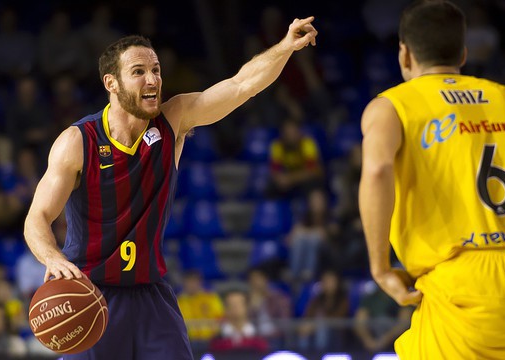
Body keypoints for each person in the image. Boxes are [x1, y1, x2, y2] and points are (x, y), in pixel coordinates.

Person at [24, 17, 317, 359]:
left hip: (151, 294)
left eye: (156, 69)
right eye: (138, 71)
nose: (152, 79)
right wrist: (53, 258)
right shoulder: (78, 142)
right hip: (90, 292)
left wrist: (285, 47)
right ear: (112, 83)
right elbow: (37, 217)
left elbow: (241, 85)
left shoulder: (173, 119)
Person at [359, 1, 505, 359]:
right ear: (462, 54)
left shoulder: (392, 106)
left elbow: (377, 170)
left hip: (467, 286)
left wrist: (380, 268)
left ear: (404, 55)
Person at [177, 270, 224, 346]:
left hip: (211, 340)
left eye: (194, 281)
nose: (191, 285)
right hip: (187, 342)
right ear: (184, 283)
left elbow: (220, 319)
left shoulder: (211, 298)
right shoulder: (178, 302)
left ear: (200, 282)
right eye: (189, 281)